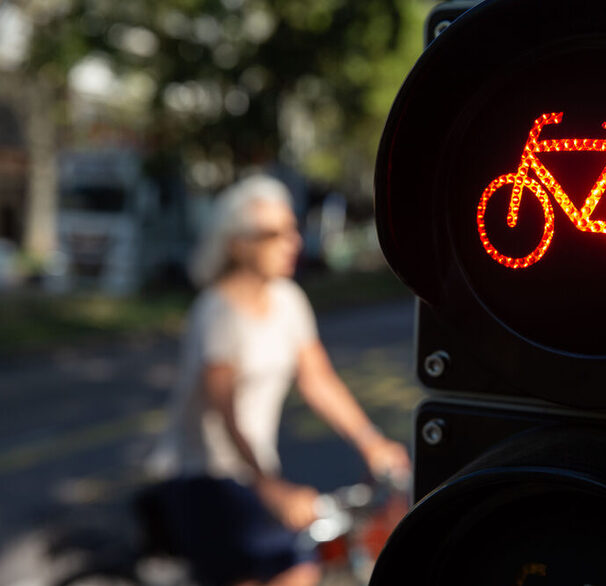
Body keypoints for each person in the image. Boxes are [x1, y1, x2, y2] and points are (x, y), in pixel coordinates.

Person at [148, 174, 411, 586]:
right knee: (284, 569)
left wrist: (371, 442)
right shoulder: (215, 311)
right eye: (274, 233)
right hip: (205, 475)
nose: (293, 241)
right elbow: (224, 411)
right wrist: (269, 488)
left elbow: (318, 380)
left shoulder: (288, 300)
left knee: (303, 565)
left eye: (292, 229)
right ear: (238, 244)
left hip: (252, 472)